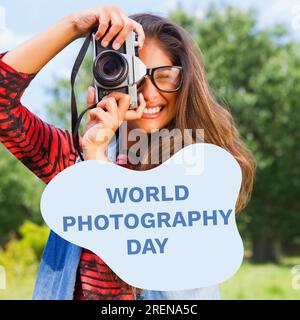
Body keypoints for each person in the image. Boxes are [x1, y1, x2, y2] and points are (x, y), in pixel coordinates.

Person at [0, 5, 255, 300]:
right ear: (108, 77)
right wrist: (74, 26)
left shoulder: (204, 166)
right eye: (134, 75)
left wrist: (97, 166)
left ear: (186, 81)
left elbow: (139, 259)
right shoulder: (77, 159)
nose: (148, 93)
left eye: (165, 75)